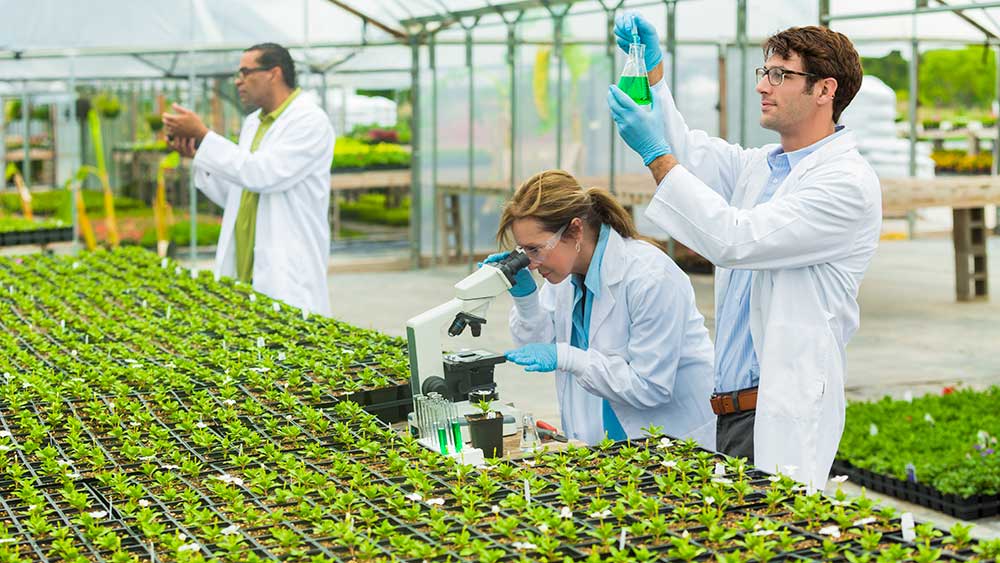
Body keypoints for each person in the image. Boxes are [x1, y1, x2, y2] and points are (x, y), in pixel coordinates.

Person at [607, 16, 881, 489]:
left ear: (824, 90)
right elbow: (688, 152)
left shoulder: (845, 184)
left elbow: (735, 239)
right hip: (729, 407)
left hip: (775, 407)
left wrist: (654, 154)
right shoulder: (763, 167)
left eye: (780, 74)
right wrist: (654, 74)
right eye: (763, 72)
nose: (763, 86)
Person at [489, 169, 716, 448]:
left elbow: (651, 387)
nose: (531, 264)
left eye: (535, 250)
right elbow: (537, 348)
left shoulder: (650, 276)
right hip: (603, 441)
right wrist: (526, 300)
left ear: (575, 230)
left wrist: (570, 357)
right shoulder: (565, 276)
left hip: (672, 440)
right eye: (524, 253)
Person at [163, 42, 335, 316]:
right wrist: (197, 154)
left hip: (286, 272)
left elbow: (262, 174)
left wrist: (206, 136)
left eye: (245, 72)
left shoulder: (309, 120)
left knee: (291, 347)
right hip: (246, 267)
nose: (238, 81)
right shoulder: (253, 122)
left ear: (273, 73)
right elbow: (238, 192)